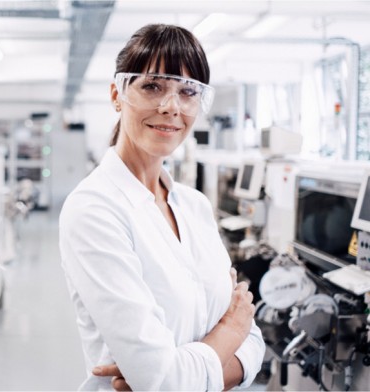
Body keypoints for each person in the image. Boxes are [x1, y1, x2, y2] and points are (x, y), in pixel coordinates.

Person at [58, 24, 265, 391]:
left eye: (188, 92)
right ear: (117, 95)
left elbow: (256, 343)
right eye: (152, 86)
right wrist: (232, 329)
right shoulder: (94, 210)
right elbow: (166, 381)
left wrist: (185, 373)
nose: (171, 107)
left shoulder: (195, 206)